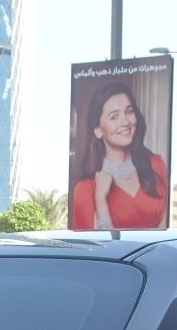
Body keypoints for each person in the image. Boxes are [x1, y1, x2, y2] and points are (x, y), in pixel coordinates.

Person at [70, 84, 168, 231]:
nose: (125, 122)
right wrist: (100, 200)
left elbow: (164, 231)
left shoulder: (156, 165)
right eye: (114, 117)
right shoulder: (86, 189)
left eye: (129, 111)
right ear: (97, 129)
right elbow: (101, 247)